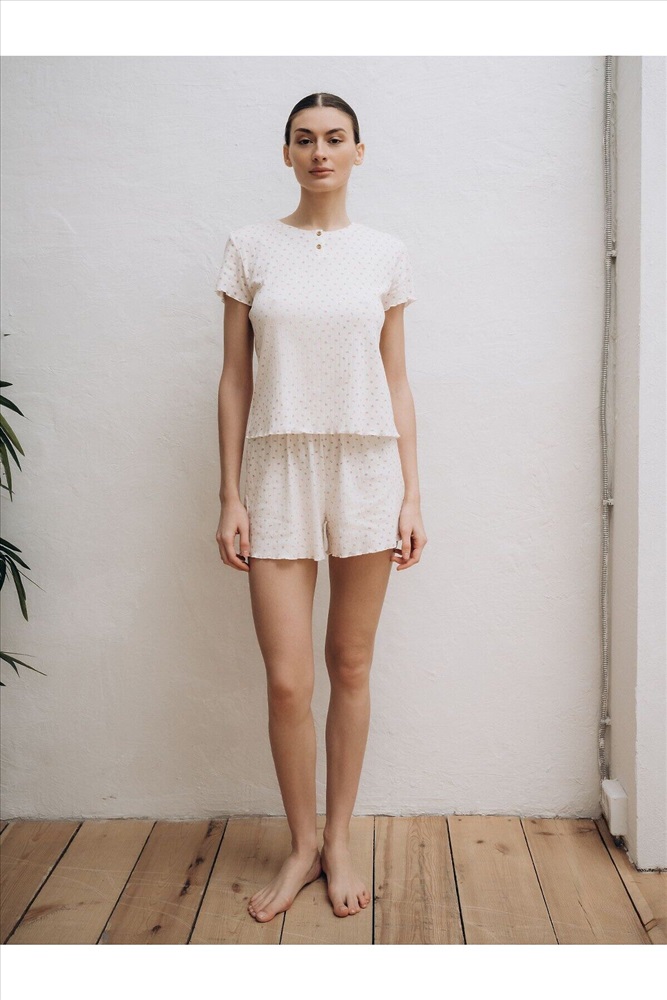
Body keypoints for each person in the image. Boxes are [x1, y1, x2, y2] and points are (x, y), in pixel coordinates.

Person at [214, 92, 427, 922]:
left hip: (366, 466)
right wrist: (229, 493)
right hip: (276, 467)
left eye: (335, 139)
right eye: (304, 139)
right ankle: (300, 845)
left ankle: (338, 840)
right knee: (286, 682)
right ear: (286, 153)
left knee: (350, 664)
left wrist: (412, 493)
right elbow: (235, 378)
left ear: (358, 152)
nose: (319, 152)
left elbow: (396, 380)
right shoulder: (248, 249)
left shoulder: (385, 254)